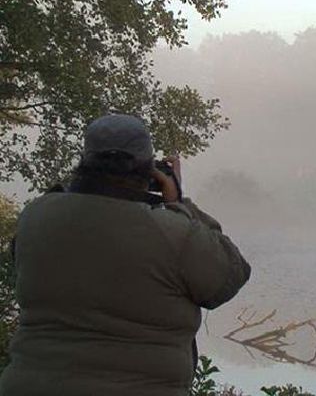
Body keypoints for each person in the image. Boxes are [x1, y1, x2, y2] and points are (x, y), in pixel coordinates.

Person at [0, 114, 251, 396]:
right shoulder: (174, 234)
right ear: (150, 170)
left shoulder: (36, 217)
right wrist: (179, 204)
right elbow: (230, 275)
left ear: (84, 163)